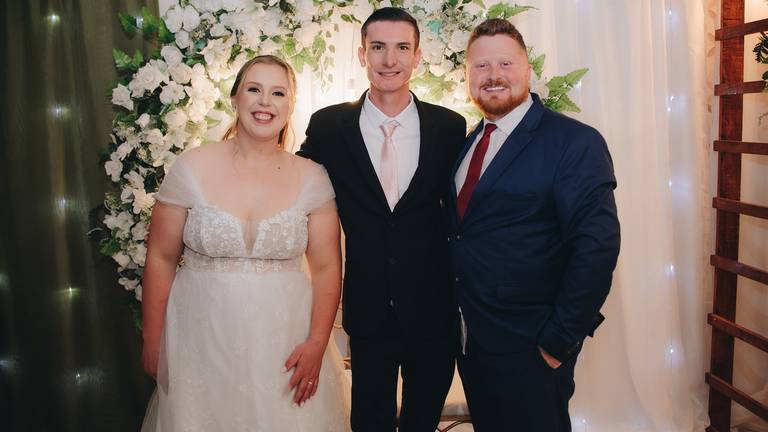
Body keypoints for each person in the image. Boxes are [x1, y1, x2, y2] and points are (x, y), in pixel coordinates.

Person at [140, 55, 349, 431]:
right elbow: (160, 257)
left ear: (290, 106)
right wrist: (153, 339)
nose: (265, 101)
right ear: (235, 98)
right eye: (254, 89)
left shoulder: (312, 177)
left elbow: (326, 267)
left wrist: (318, 343)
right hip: (201, 343)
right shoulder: (191, 167)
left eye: (278, 93)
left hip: (285, 346)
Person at [297, 7, 467, 432]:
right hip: (368, 308)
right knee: (369, 421)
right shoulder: (330, 126)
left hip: (434, 306)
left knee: (422, 421)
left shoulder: (449, 127)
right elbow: (294, 185)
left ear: (417, 56)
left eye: (402, 48)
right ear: (362, 54)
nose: (390, 59)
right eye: (378, 47)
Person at [448, 19, 621, 432]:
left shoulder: (574, 142)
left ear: (528, 69)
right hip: (474, 342)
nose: (493, 75)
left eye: (505, 63)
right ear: (467, 75)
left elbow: (596, 247)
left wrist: (559, 340)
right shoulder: (468, 142)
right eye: (481, 66)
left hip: (533, 347)